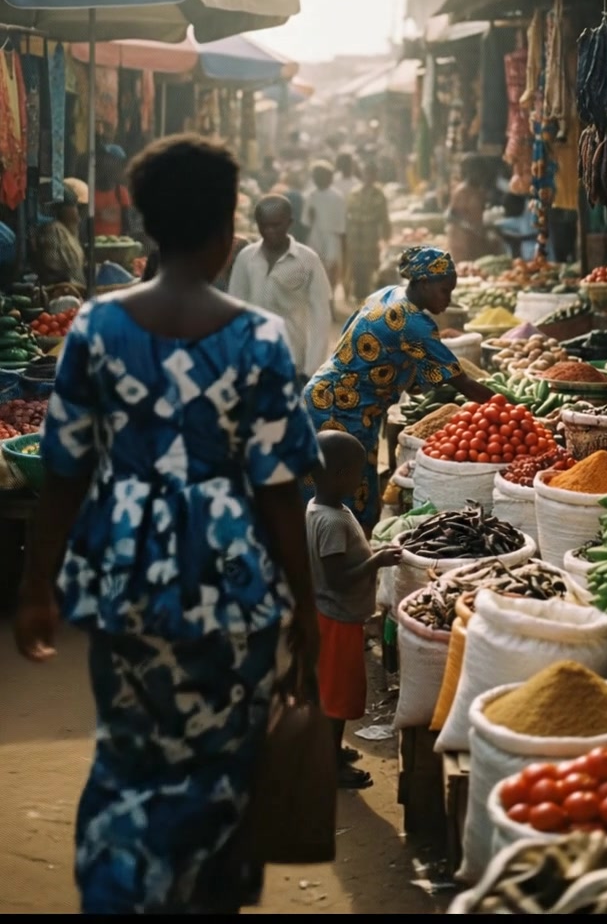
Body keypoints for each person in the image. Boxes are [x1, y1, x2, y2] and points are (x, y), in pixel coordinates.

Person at [14, 134, 321, 916]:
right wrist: (307, 615)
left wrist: (36, 587)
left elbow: (64, 471)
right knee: (222, 767)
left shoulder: (96, 327)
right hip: (233, 585)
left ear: (146, 229)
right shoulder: (259, 339)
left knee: (129, 755)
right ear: (228, 233)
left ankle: (122, 887)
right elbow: (280, 492)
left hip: (125, 578)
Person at [304, 246, 493, 530]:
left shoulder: (388, 293)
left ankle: (330, 557)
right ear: (424, 282)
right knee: (349, 493)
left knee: (326, 485)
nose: (448, 299)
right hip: (342, 407)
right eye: (444, 291)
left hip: (326, 393)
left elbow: (351, 333)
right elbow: (463, 382)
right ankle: (345, 561)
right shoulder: (414, 322)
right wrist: (509, 406)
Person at [306, 431, 401, 789]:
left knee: (330, 691)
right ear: (340, 473)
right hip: (337, 618)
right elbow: (338, 579)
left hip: (331, 615)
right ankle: (331, 766)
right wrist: (376, 563)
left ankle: (333, 750)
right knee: (338, 696)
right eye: (359, 472)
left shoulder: (319, 508)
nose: (362, 479)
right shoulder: (330, 521)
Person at [229, 195, 331, 383]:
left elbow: (321, 318)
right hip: (254, 360)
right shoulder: (246, 258)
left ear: (289, 223)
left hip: (293, 360)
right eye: (264, 226)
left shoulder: (307, 260)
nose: (270, 231)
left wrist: (311, 369)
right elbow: (235, 309)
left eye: (276, 225)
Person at [346, 161, 392, 304]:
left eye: (371, 174)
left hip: (370, 236)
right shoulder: (354, 193)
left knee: (369, 265)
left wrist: (386, 235)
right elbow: (348, 213)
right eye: (366, 173)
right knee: (355, 266)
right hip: (354, 236)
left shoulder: (379, 195)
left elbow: (383, 216)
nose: (368, 177)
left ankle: (367, 296)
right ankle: (357, 294)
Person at [304, 161, 347, 310]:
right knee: (316, 270)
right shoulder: (311, 195)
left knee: (331, 272)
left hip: (332, 237)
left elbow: (342, 225)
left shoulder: (337, 197)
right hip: (316, 236)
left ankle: (330, 302)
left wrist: (343, 243)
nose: (318, 179)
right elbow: (306, 221)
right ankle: (319, 302)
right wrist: (310, 216)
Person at [34, 183, 86, 289]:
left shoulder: (69, 230)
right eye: (73, 206)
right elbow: (51, 269)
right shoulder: (54, 230)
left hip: (77, 290)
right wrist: (68, 281)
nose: (77, 211)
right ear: (61, 209)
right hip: (64, 292)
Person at [445, 154, 489, 266]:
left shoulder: (478, 191)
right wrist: (470, 227)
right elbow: (451, 215)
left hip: (475, 239)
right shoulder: (462, 191)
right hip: (462, 241)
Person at [94, 143, 131, 239]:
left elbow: (126, 225)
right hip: (94, 248)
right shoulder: (90, 192)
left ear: (117, 164)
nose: (104, 162)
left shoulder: (121, 193)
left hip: (116, 247)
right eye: (104, 158)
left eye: (109, 159)